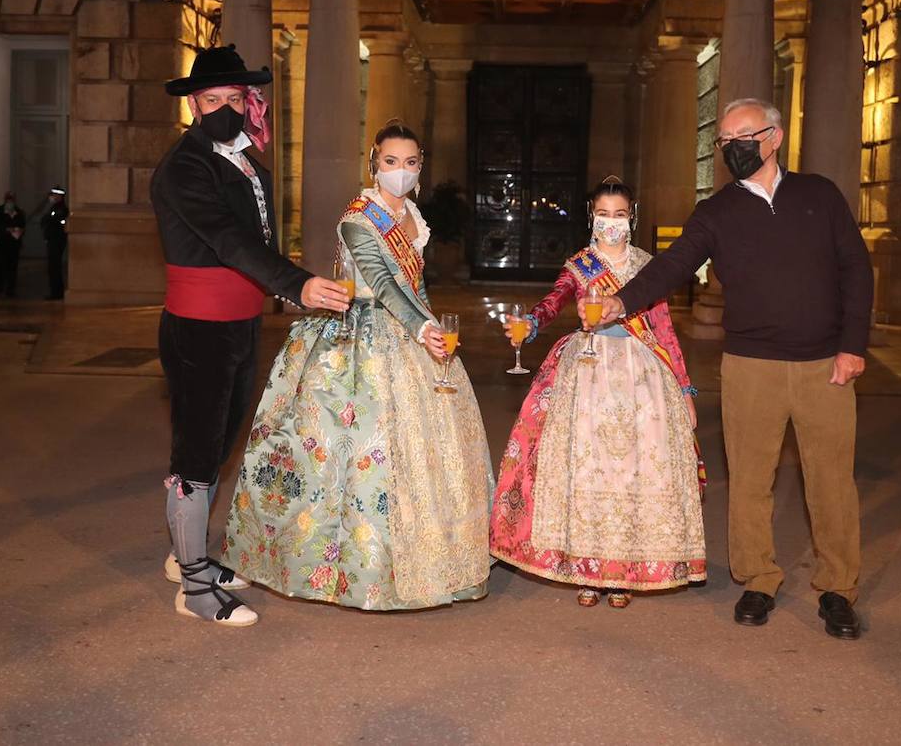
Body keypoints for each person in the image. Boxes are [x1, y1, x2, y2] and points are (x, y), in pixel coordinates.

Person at [588, 98, 873, 639]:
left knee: (832, 480)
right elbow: (671, 267)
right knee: (749, 480)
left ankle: (838, 587)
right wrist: (620, 302)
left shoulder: (820, 195)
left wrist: (852, 344)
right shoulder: (716, 212)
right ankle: (758, 578)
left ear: (774, 137)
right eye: (724, 141)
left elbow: (855, 268)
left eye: (741, 136)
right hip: (750, 366)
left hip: (823, 364)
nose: (732, 147)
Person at [218, 121, 494, 611]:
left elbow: (415, 288)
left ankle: (436, 561)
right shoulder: (359, 218)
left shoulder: (411, 214)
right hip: (355, 336)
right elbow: (385, 286)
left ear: (420, 167)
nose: (401, 172)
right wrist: (419, 328)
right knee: (341, 455)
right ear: (374, 164)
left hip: (410, 333)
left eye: (410, 163)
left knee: (431, 454)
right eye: (391, 162)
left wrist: (431, 327)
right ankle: (334, 566)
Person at [153, 44, 350, 628]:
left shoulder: (245, 162)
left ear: (249, 102)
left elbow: (256, 241)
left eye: (235, 99)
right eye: (212, 100)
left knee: (218, 443)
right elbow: (226, 239)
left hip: (238, 323)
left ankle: (184, 556)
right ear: (193, 104)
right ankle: (193, 588)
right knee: (195, 451)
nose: (225, 110)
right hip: (197, 327)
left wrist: (286, 285)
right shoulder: (184, 167)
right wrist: (297, 284)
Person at [489, 177, 706, 609]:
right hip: (587, 374)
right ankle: (587, 568)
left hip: (642, 376)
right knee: (587, 473)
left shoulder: (648, 267)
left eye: (620, 215)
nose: (611, 223)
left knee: (632, 474)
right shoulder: (580, 265)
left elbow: (663, 329)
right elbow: (554, 302)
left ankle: (622, 570)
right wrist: (530, 325)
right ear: (592, 217)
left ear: (633, 217)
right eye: (603, 214)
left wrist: (684, 389)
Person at [0, 191, 24, 298]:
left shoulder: (19, 212)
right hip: (1, 243)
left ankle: (11, 289)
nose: (9, 201)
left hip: (14, 244)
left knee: (12, 267)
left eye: (11, 199)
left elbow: (22, 227)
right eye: (8, 199)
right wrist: (6, 230)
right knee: (0, 266)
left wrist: (15, 231)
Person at [41, 186, 68, 300]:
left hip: (57, 240)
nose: (52, 197)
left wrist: (49, 219)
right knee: (52, 268)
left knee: (55, 267)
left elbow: (57, 221)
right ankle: (55, 292)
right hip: (52, 240)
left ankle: (57, 293)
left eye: (54, 195)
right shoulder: (53, 208)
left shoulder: (61, 209)